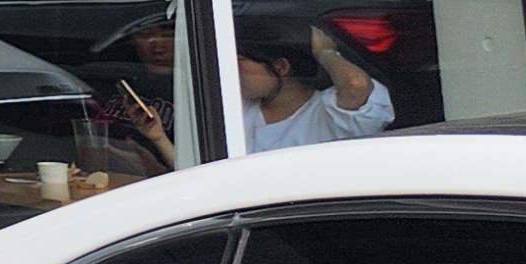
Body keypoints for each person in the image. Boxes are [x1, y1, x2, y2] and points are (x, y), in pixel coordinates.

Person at [126, 15, 400, 161]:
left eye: (240, 63)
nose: (231, 74)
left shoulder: (328, 112)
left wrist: (325, 53)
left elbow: (355, 84)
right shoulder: (239, 111)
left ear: (280, 67)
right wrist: (158, 138)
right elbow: (201, 176)